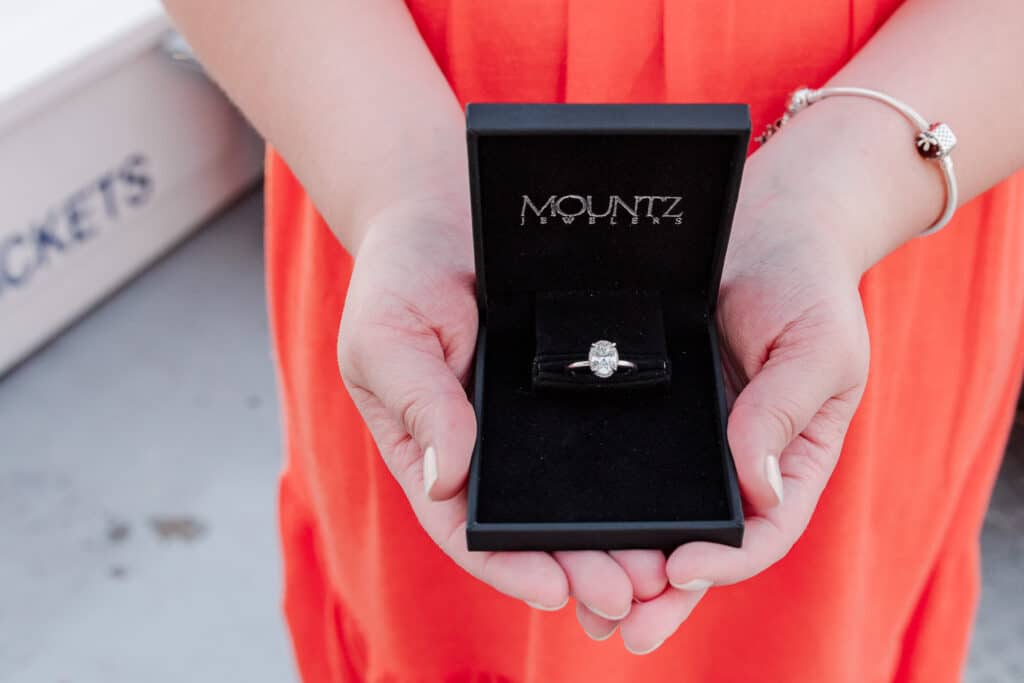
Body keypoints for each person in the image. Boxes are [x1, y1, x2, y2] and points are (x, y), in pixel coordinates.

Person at [162, 1, 1024, 680]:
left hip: (893, 167)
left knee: (830, 627)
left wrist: (839, 193)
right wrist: (400, 188)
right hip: (372, 113)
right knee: (427, 621)